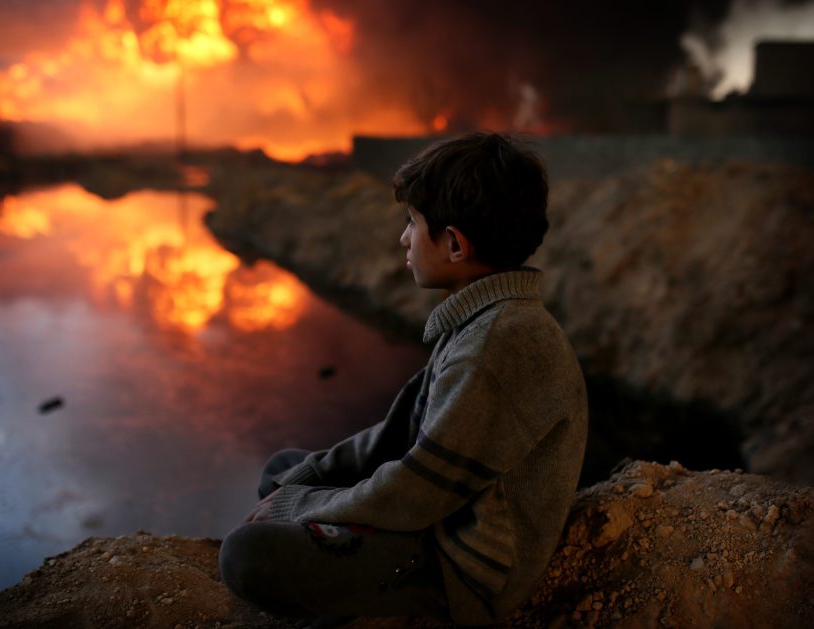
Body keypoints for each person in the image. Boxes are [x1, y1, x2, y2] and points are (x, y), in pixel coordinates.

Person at [219, 132, 589, 626]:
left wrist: (300, 506)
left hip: (456, 567)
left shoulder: (497, 346)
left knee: (246, 554)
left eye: (413, 224)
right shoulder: (485, 319)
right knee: (284, 468)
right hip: (435, 514)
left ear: (455, 245)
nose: (403, 239)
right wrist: (301, 487)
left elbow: (416, 492)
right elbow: (396, 436)